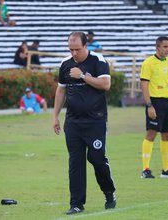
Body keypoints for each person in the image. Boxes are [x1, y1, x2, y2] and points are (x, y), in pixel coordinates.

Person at [52, 32, 116, 215]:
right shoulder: (65, 64)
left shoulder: (98, 60)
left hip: (95, 121)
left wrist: (82, 76)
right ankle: (76, 204)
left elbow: (105, 85)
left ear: (86, 45)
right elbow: (61, 91)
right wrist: (55, 116)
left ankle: (109, 192)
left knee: (97, 159)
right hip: (72, 122)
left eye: (77, 50)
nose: (74, 53)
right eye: (71, 49)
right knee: (75, 163)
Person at [139, 36, 168, 179]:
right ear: (157, 47)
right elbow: (144, 85)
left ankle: (166, 169)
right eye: (165, 47)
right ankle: (145, 169)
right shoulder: (148, 63)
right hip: (155, 102)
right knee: (151, 133)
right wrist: (149, 105)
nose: (167, 50)